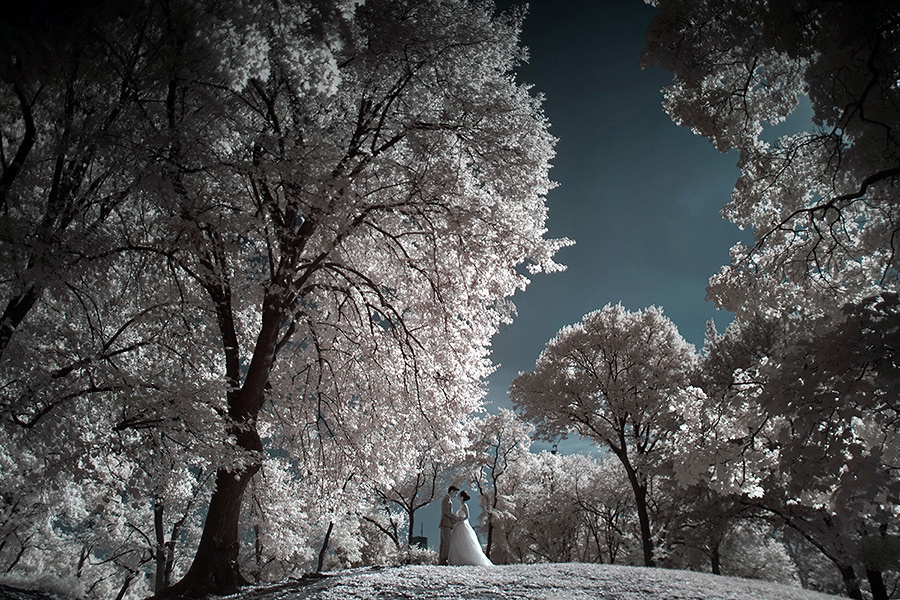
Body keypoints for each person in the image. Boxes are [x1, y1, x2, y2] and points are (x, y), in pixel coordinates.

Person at [447, 490, 493, 566]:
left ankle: (468, 558)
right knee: (457, 542)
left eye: (459, 496)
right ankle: (456, 559)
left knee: (465, 542)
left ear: (462, 497)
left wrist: (461, 520)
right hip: (458, 525)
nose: (457, 497)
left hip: (462, 525)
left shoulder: (465, 506)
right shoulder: (461, 506)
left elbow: (468, 516)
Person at [439, 485, 460, 565]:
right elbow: (447, 512)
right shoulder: (446, 499)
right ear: (451, 491)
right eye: (455, 493)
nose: (455, 495)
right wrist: (455, 518)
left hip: (446, 523)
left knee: (444, 543)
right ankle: (443, 560)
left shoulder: (447, 499)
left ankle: (442, 559)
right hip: (445, 524)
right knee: (447, 542)